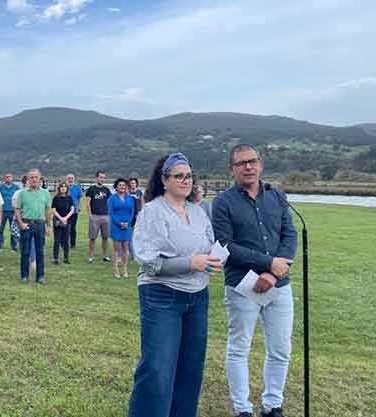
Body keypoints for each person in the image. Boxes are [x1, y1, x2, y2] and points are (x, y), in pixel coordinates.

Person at [127, 153, 221, 417]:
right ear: (164, 180)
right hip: (162, 296)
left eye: (189, 175)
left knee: (190, 369)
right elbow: (149, 262)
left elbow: (207, 245)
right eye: (178, 175)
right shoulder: (153, 211)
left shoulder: (199, 212)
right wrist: (191, 263)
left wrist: (212, 259)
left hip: (198, 297)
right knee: (158, 369)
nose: (185, 180)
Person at [212, 144, 297, 417]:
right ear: (232, 169)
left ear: (260, 165)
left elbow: (290, 235)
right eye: (241, 163)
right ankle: (242, 409)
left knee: (281, 349)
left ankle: (272, 405)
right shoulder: (223, 202)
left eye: (252, 161)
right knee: (240, 348)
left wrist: (272, 272)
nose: (248, 167)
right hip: (241, 284)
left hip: (279, 284)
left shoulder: (277, 195)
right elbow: (225, 244)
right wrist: (266, 263)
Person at [15, 169, 51, 284]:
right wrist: (21, 223)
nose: (34, 179)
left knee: (40, 251)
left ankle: (40, 276)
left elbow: (47, 210)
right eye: (32, 177)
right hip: (27, 224)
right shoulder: (22, 193)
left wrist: (47, 225)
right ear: (28, 179)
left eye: (36, 177)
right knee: (25, 251)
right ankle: (24, 276)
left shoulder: (45, 193)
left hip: (40, 224)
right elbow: (17, 209)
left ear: (40, 179)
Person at [108, 178, 135, 278]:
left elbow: (132, 212)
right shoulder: (112, 199)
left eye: (124, 185)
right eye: (120, 185)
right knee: (116, 249)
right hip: (116, 226)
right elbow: (111, 213)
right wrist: (119, 223)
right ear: (116, 187)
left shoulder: (130, 198)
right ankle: (116, 270)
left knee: (125, 249)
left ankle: (124, 269)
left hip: (127, 226)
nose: (122, 187)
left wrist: (127, 223)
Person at [86, 171, 112, 263]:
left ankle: (105, 255)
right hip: (95, 216)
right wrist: (90, 215)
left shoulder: (106, 190)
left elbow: (110, 202)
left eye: (104, 177)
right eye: (101, 177)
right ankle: (91, 256)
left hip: (105, 216)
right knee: (92, 238)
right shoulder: (91, 189)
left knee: (105, 237)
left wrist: (109, 214)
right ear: (97, 178)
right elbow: (88, 203)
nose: (102, 179)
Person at [13, 175, 36, 270]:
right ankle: (24, 257)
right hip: (19, 219)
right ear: (24, 182)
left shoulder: (35, 192)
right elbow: (14, 204)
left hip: (31, 219)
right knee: (21, 240)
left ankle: (33, 260)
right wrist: (21, 209)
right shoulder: (18, 192)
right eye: (28, 181)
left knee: (32, 240)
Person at [51, 181, 74, 265]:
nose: (63, 188)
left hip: (67, 221)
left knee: (66, 240)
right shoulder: (55, 198)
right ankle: (56, 258)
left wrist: (65, 218)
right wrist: (61, 218)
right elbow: (53, 210)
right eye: (61, 186)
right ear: (59, 188)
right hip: (57, 222)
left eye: (65, 187)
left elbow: (72, 209)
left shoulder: (69, 198)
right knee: (57, 240)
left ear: (67, 188)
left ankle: (66, 258)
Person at [0, 172, 20, 252]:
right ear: (4, 178)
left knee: (13, 229)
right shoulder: (0, 187)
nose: (8, 178)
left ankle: (14, 247)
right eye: (6, 177)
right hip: (3, 211)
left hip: (13, 211)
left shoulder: (16, 187)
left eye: (9, 177)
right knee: (0, 229)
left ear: (12, 178)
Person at [127, 177, 144, 258]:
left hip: (137, 216)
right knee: (129, 236)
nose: (133, 184)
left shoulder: (139, 192)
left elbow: (142, 204)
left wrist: (141, 214)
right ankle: (132, 254)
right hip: (129, 216)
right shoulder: (127, 193)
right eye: (131, 183)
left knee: (137, 235)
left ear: (136, 184)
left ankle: (137, 252)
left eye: (134, 183)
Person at [66, 174, 82, 249]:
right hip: (65, 211)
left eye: (72, 178)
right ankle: (64, 243)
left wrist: (79, 207)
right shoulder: (64, 187)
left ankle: (73, 244)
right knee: (65, 228)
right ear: (66, 179)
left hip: (74, 211)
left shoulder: (77, 188)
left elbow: (79, 199)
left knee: (72, 228)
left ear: (74, 179)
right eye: (69, 178)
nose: (70, 179)